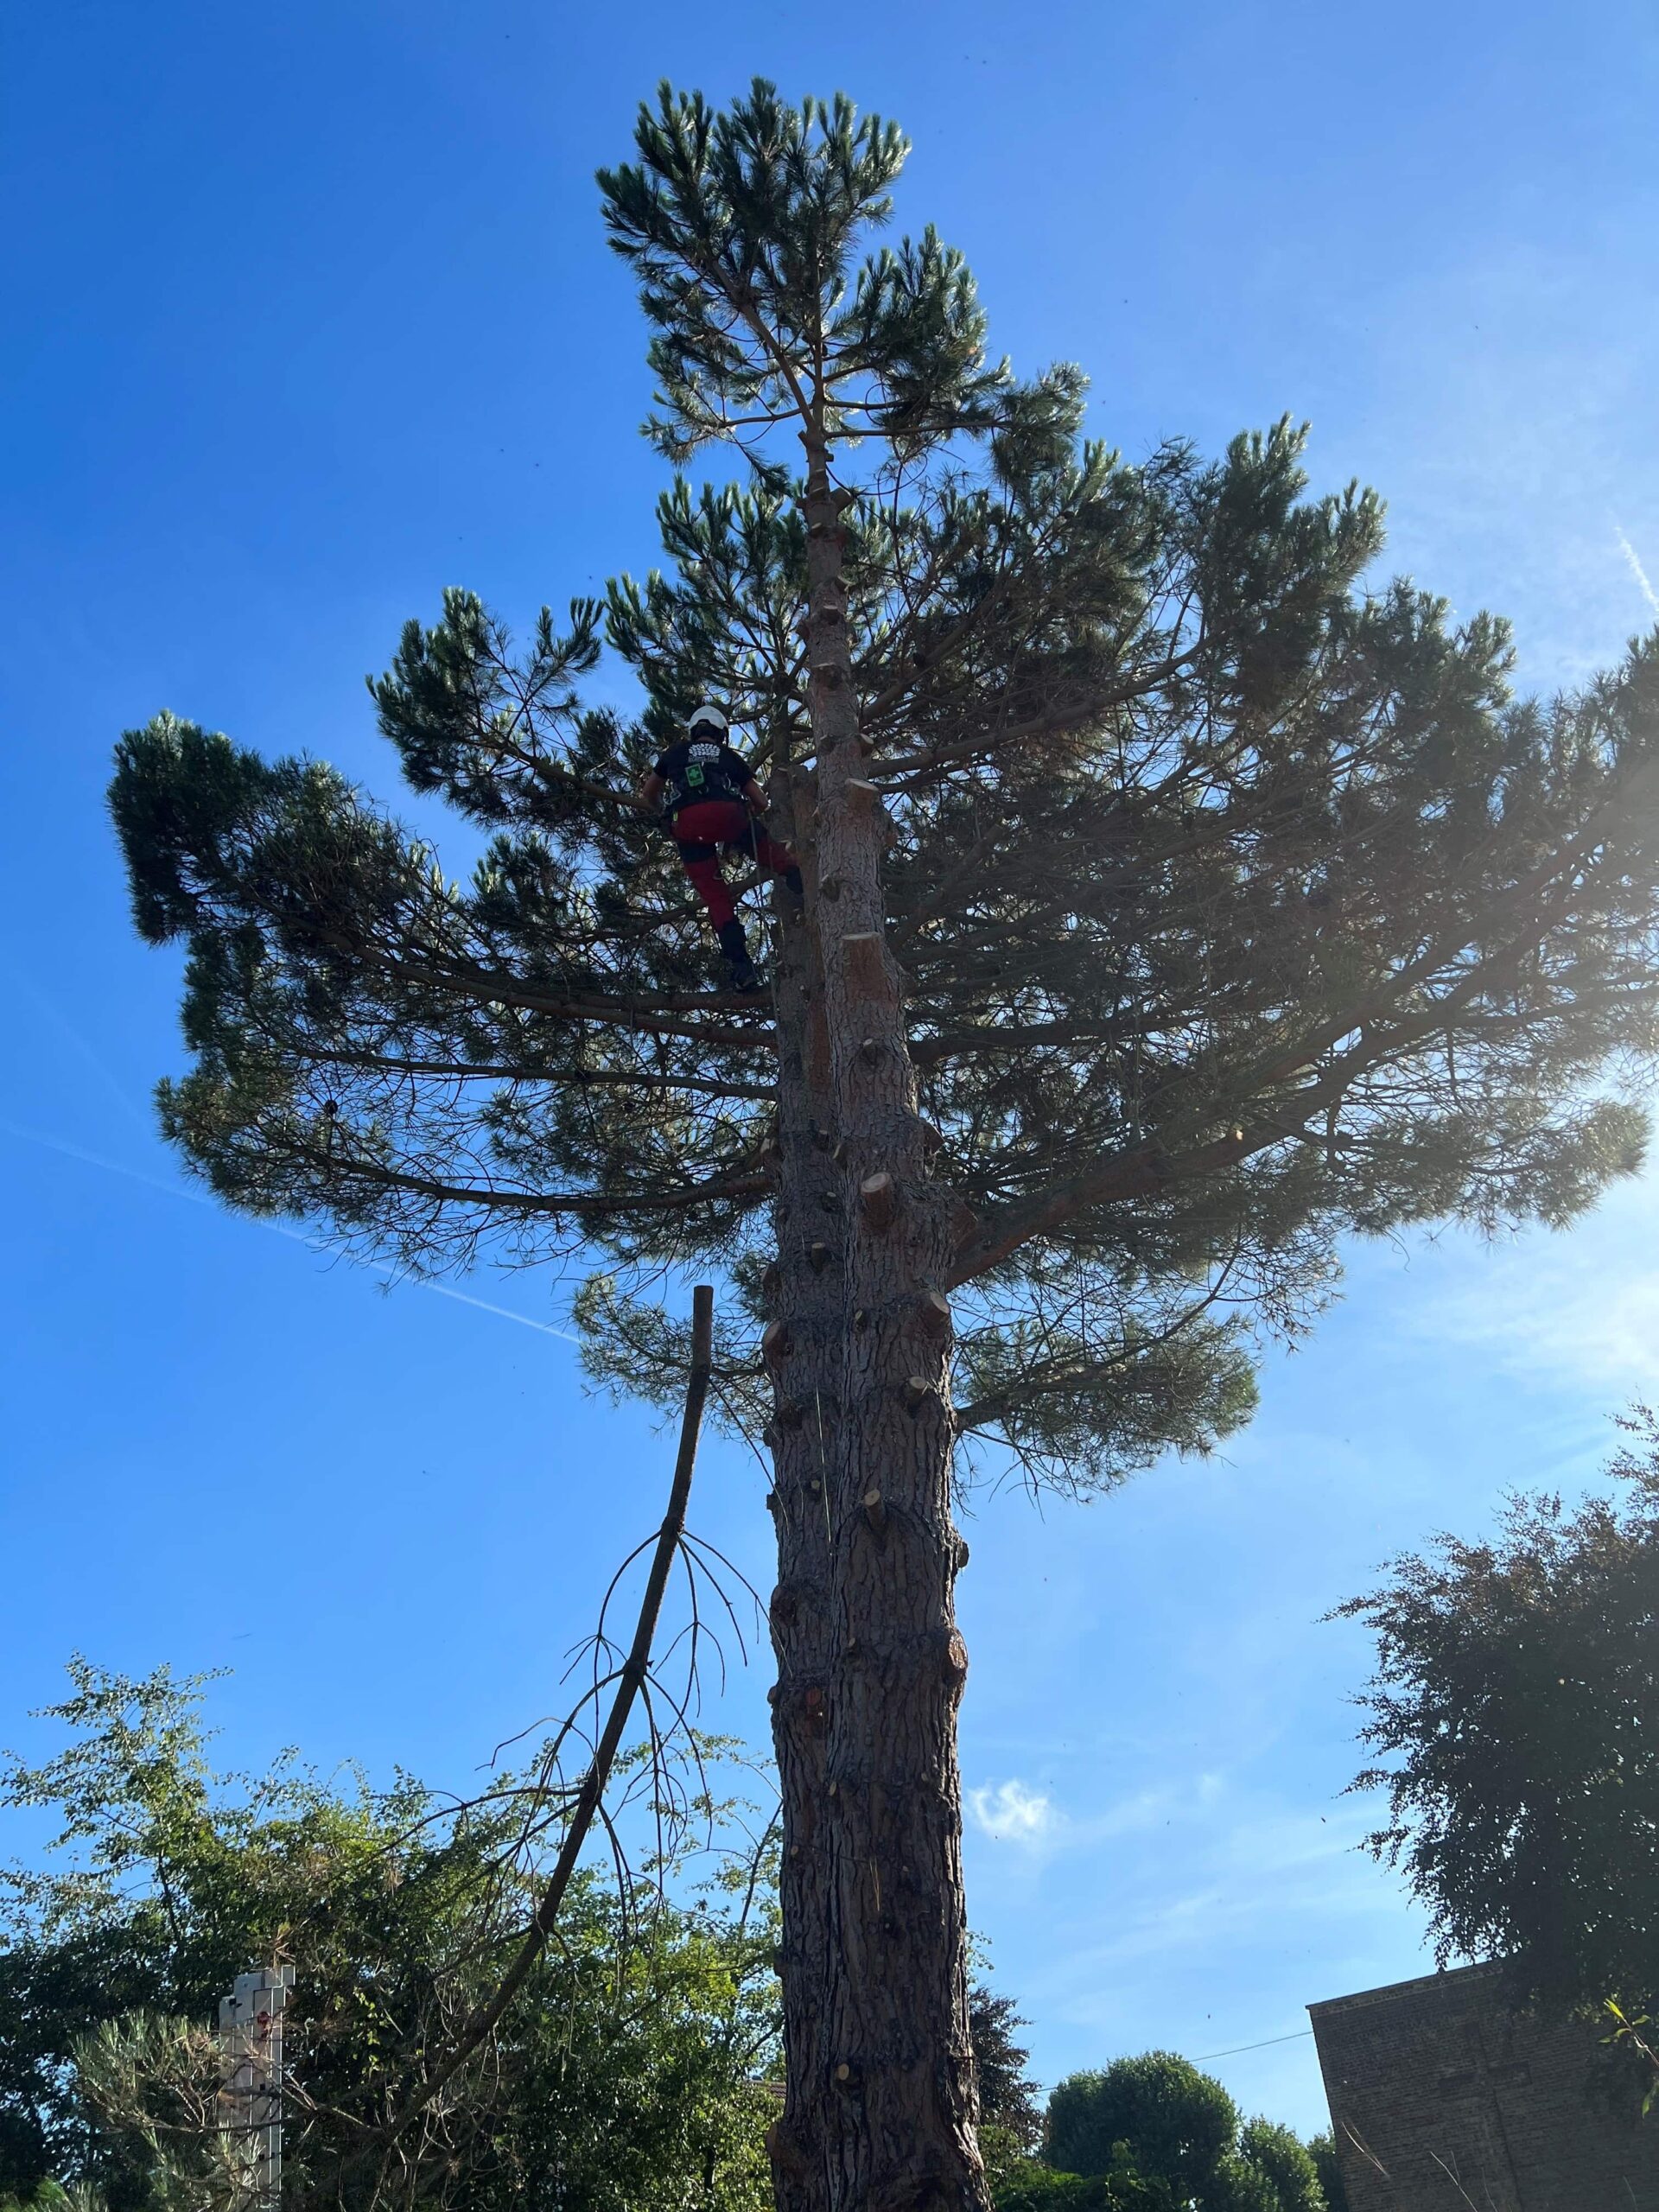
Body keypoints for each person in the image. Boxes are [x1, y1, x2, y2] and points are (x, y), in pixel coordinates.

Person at [638, 704, 802, 992]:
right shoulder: (729, 756)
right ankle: (794, 874)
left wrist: (662, 814)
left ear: (693, 731)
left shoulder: (674, 753)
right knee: (759, 842)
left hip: (687, 823)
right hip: (728, 814)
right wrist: (746, 816)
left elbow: (649, 792)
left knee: (716, 897)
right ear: (721, 733)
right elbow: (761, 802)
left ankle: (742, 967)